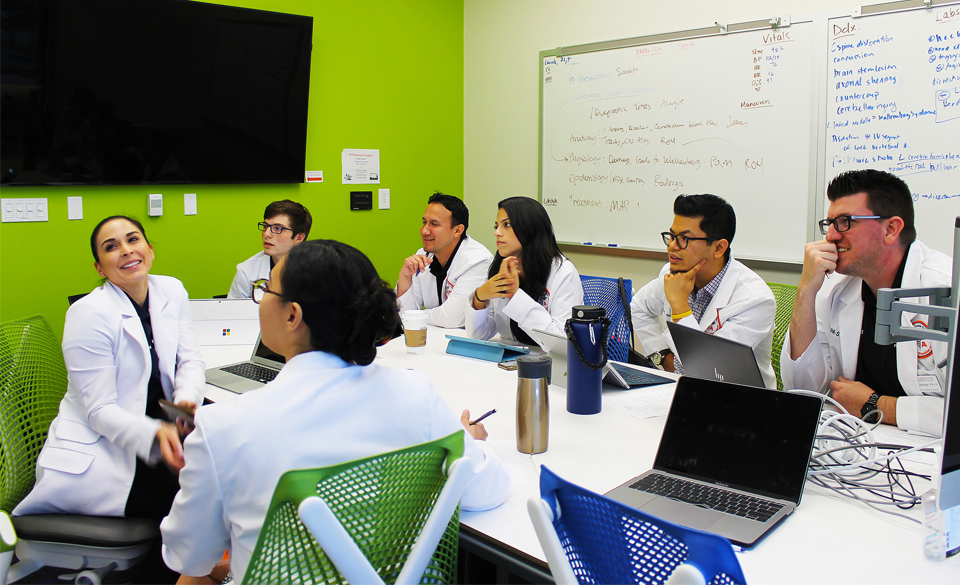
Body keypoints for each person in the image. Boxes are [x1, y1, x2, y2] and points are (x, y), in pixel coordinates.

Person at [161, 240, 510, 584]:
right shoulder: (414, 394)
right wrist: (467, 440)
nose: (261, 298)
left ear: (292, 315)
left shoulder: (222, 427)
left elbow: (188, 555)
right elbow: (489, 488)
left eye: (266, 290)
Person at [14, 216, 205, 582]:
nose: (126, 250)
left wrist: (185, 403)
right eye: (111, 246)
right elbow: (100, 411)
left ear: (150, 249)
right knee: (195, 497)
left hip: (157, 429)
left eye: (133, 239)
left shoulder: (172, 291)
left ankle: (201, 570)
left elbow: (190, 360)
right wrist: (156, 436)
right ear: (100, 268)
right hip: (103, 454)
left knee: (216, 471)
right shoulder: (88, 313)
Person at [781, 169, 951, 435]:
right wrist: (805, 291)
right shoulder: (835, 288)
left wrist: (877, 404)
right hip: (857, 443)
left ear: (891, 229)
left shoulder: (946, 292)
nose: (831, 236)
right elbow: (802, 390)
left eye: (845, 222)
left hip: (930, 455)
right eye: (830, 224)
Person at [630, 194, 777, 388]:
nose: (673, 246)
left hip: (739, 403)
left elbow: (712, 372)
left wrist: (680, 306)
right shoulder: (673, 273)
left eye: (684, 239)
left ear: (718, 248)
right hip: (681, 392)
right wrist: (663, 356)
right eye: (672, 236)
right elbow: (639, 307)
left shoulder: (755, 299)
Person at [466, 196, 583, 349]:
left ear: (529, 228)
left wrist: (515, 296)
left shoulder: (563, 273)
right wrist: (479, 297)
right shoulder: (502, 266)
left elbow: (561, 344)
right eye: (496, 226)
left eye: (507, 225)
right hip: (512, 358)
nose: (497, 233)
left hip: (550, 365)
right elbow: (479, 334)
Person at [396, 192, 493, 328]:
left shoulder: (477, 261)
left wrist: (415, 315)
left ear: (457, 230)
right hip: (435, 337)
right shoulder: (423, 255)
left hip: (467, 343)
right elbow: (400, 314)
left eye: (434, 224)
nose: (424, 231)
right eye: (424, 222)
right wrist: (405, 277)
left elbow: (452, 319)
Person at [227, 199, 311, 299]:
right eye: (265, 226)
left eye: (277, 228)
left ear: (298, 238)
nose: (266, 234)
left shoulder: (319, 271)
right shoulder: (246, 271)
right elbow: (233, 313)